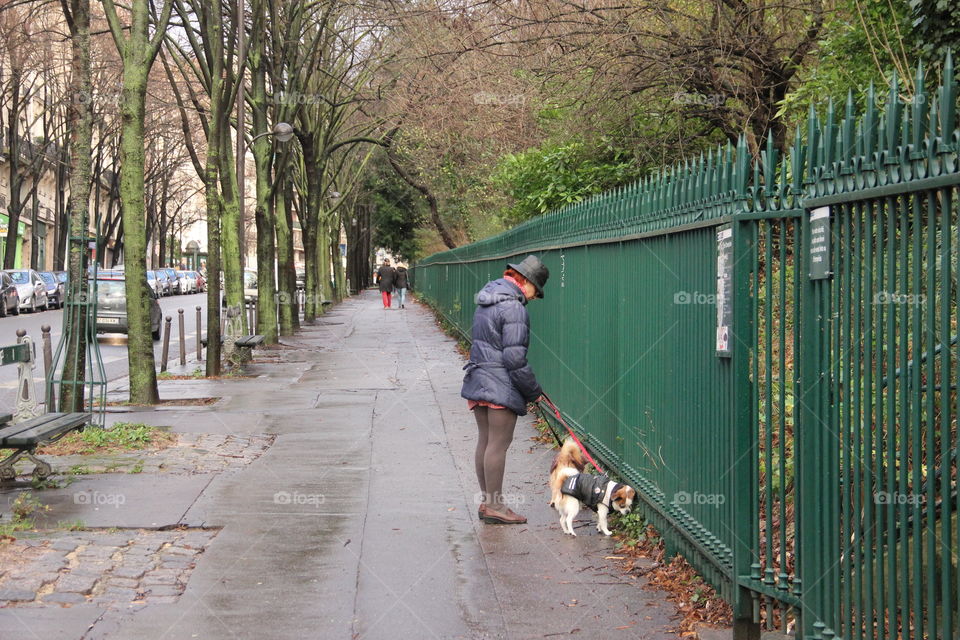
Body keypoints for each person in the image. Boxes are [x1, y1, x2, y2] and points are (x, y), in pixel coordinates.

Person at [460, 255, 549, 525]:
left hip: (478, 377)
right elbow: (514, 360)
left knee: (485, 441)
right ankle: (496, 507)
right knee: (498, 444)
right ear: (525, 281)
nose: (534, 297)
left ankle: (489, 503)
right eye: (536, 290)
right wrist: (534, 391)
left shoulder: (488, 299)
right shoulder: (514, 308)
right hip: (500, 383)